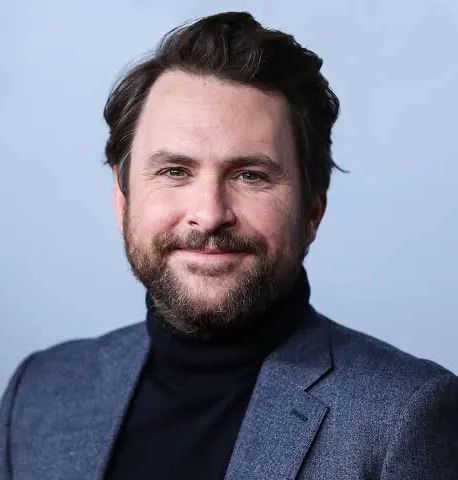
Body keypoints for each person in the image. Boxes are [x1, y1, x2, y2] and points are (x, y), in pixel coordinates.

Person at [1, 11, 457, 480]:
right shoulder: (37, 394)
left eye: (250, 176)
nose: (210, 213)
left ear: (312, 212)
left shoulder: (405, 419)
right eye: (174, 171)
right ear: (123, 201)